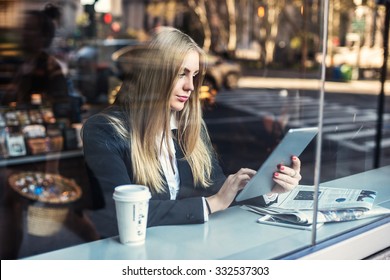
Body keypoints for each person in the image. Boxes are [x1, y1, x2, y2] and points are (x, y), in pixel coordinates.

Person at [82, 27, 302, 227]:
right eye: (181, 74)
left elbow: (215, 189)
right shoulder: (105, 130)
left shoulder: (188, 125)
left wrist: (270, 191)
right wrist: (210, 204)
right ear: (155, 75)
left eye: (194, 75)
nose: (190, 86)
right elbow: (123, 213)